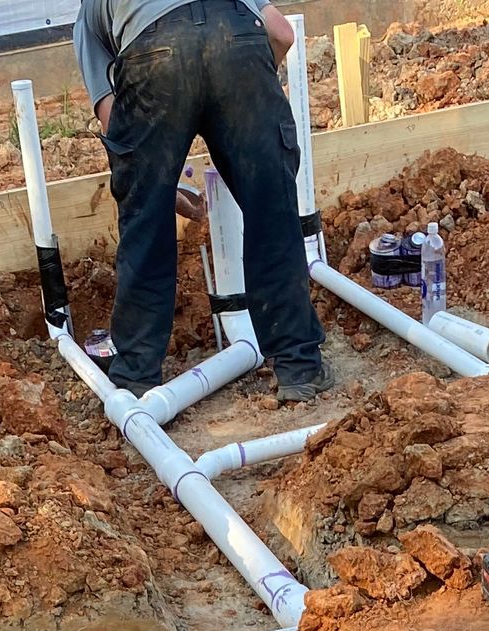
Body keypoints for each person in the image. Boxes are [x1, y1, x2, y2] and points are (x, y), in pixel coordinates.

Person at [73, 0, 328, 401]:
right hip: (236, 39)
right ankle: (299, 368)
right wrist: (246, 99)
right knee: (271, 211)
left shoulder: (91, 13)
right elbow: (281, 33)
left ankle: (136, 380)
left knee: (145, 228)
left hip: (151, 56)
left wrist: (159, 187)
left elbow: (113, 117)